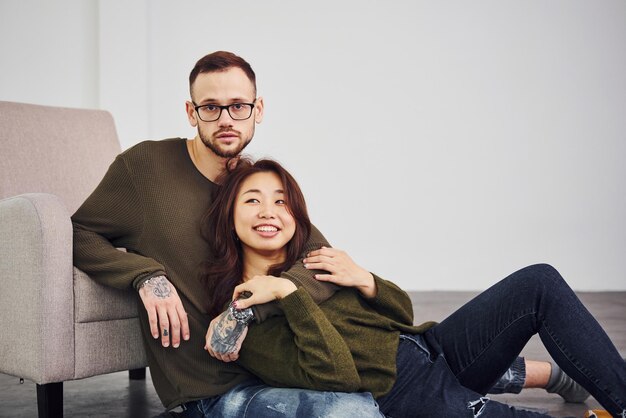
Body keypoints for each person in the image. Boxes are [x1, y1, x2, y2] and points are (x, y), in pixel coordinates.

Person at [71, 50, 585, 416]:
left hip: (285, 355)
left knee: (394, 366)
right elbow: (80, 233)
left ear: (257, 110)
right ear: (191, 111)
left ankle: (558, 375)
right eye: (210, 107)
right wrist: (145, 276)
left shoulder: (254, 185)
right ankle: (555, 376)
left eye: (238, 106)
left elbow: (317, 262)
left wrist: (268, 297)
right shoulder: (145, 169)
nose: (226, 118)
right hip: (215, 381)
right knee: (371, 397)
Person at [200, 157, 626, 417]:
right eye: (252, 200)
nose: (269, 211)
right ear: (230, 217)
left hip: (432, 348)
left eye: (280, 200)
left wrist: (366, 281)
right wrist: (288, 297)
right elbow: (338, 377)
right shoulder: (245, 315)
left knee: (539, 281)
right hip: (405, 393)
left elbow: (402, 314)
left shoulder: (314, 260)